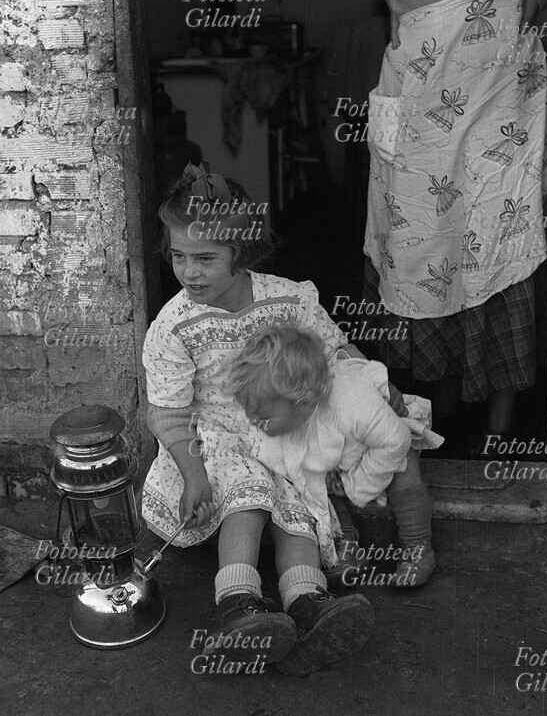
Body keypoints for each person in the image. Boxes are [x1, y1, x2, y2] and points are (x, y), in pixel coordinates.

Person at [326, 0, 547, 454]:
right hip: (420, 65)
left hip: (499, 67)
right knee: (427, 238)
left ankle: (502, 432)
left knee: (501, 230)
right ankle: (446, 411)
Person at [142, 162, 377, 675]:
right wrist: (192, 472)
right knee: (245, 496)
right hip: (216, 436)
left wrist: (377, 386)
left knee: (296, 503)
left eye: (205, 258)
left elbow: (335, 350)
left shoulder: (288, 300)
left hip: (281, 429)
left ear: (239, 252)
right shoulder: (175, 325)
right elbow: (168, 411)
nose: (189, 272)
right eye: (179, 256)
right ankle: (240, 603)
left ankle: (307, 603)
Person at [227, 324, 442, 595]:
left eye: (263, 416)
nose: (254, 420)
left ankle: (417, 546)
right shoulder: (277, 410)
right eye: (250, 411)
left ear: (303, 402)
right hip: (336, 451)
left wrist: (360, 484)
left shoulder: (353, 401)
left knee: (405, 474)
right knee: (314, 480)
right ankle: (343, 539)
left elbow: (396, 440)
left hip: (382, 442)